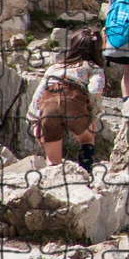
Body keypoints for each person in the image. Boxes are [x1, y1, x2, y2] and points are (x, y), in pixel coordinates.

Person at [26, 28, 105, 174]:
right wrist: (92, 116)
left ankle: (53, 179)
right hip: (75, 104)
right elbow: (94, 92)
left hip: (49, 107)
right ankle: (85, 175)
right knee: (87, 138)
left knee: (53, 161)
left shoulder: (54, 67)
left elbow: (37, 97)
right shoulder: (94, 69)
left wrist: (34, 121)